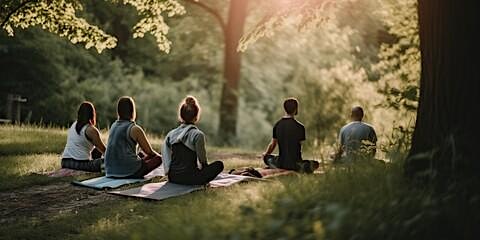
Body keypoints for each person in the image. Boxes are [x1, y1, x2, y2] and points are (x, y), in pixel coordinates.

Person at [162, 96, 224, 185]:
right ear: (196, 117)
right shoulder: (198, 135)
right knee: (219, 164)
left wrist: (168, 171)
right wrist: (204, 171)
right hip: (190, 178)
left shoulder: (171, 134)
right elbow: (202, 160)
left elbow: (165, 154)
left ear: (181, 116)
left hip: (173, 177)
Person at [104, 96, 162, 178]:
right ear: (132, 110)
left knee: (141, 155)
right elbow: (149, 152)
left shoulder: (113, 126)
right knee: (158, 159)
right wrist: (160, 157)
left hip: (110, 170)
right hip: (128, 171)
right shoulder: (135, 129)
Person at [262, 97, 319, 173]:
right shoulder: (300, 127)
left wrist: (265, 155)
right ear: (296, 109)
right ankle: (301, 168)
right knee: (315, 164)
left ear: (284, 109)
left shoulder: (277, 125)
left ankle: (274, 164)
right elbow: (299, 147)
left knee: (268, 158)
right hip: (296, 164)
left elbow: (273, 144)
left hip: (281, 163)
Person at [61, 101, 106, 172]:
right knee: (107, 163)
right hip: (80, 164)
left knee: (96, 151)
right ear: (92, 114)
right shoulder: (91, 130)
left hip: (65, 162)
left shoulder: (74, 125)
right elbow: (104, 150)